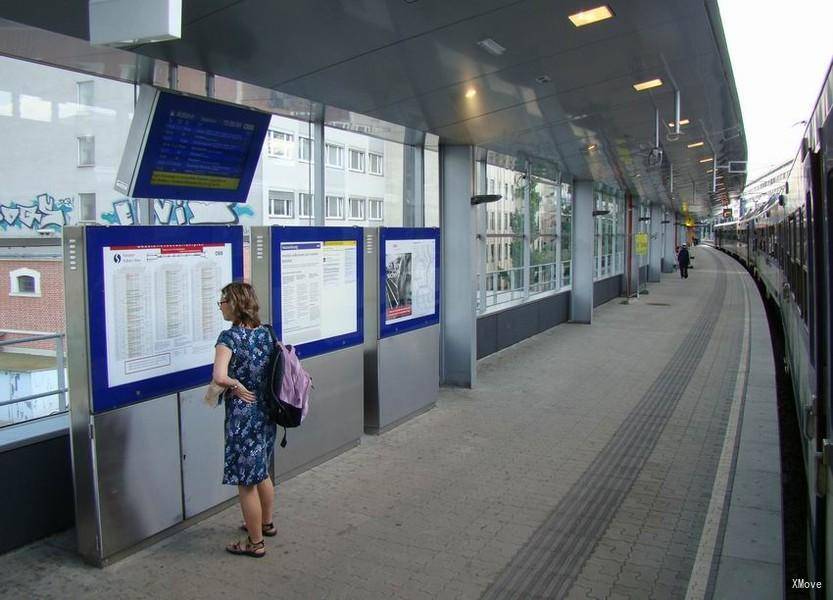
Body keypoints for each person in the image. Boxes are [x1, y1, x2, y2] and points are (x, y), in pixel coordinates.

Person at [212, 282, 277, 558]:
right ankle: (266, 523)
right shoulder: (265, 334)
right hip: (266, 412)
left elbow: (219, 376)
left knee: (246, 482)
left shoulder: (229, 339)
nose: (221, 306)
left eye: (223, 301)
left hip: (243, 415)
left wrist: (236, 385)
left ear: (235, 304)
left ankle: (255, 543)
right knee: (262, 471)